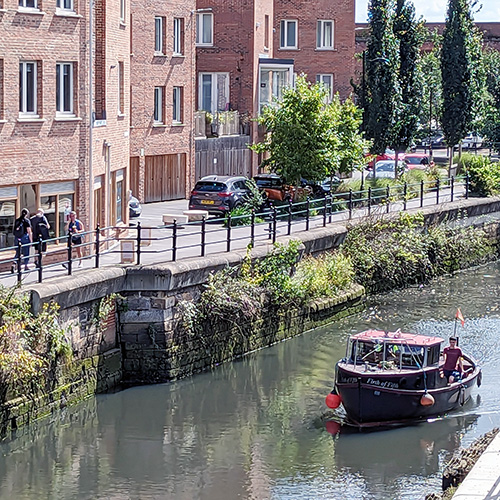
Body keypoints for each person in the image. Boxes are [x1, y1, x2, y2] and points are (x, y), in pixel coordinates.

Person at [12, 208, 33, 272]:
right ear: (27, 214)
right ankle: (26, 265)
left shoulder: (17, 220)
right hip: (24, 238)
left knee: (18, 252)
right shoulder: (26, 221)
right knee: (26, 252)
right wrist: (31, 240)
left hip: (17, 238)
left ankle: (14, 263)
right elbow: (29, 231)